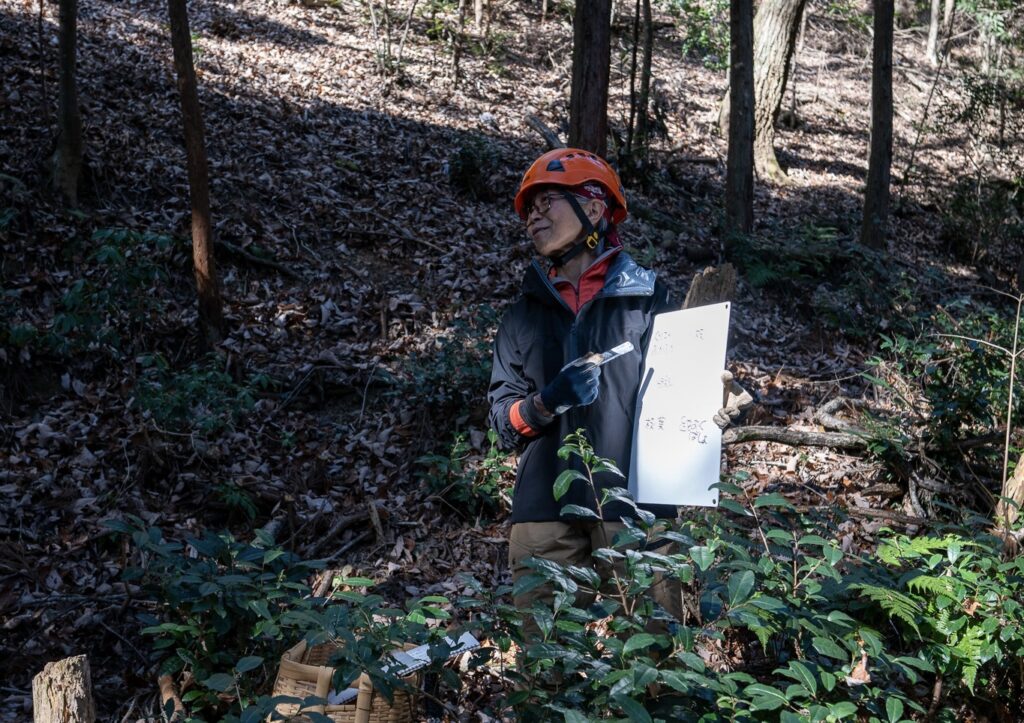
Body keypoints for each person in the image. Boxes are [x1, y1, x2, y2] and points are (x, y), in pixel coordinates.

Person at [487, 148, 751, 636]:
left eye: (547, 201)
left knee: (654, 657)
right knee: (545, 667)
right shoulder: (521, 315)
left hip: (637, 506)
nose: (533, 217)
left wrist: (714, 404)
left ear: (593, 207)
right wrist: (546, 401)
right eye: (528, 210)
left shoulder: (650, 300)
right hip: (543, 511)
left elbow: (681, 398)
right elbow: (503, 425)